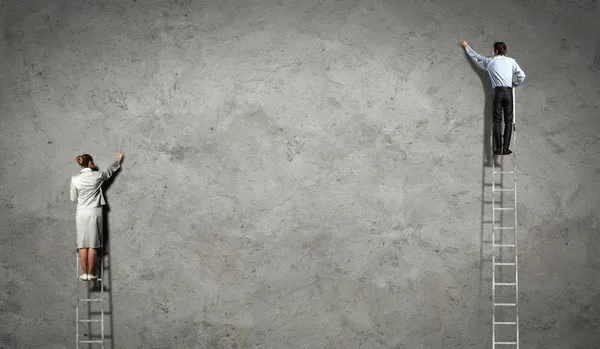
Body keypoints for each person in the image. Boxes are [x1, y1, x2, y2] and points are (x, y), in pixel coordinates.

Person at [459, 40, 526, 155]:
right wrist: (515, 83)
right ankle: (506, 148)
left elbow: (476, 57)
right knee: (509, 121)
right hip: (508, 92)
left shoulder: (490, 61)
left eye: (492, 49)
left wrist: (466, 46)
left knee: (497, 121)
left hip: (498, 93)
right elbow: (522, 75)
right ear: (505, 51)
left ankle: (498, 148)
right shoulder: (511, 61)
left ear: (495, 51)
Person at [70, 152, 123, 281]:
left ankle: (84, 273)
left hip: (81, 212)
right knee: (93, 244)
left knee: (83, 244)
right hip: (94, 212)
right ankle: (91, 273)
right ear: (90, 163)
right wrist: (118, 160)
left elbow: (73, 199)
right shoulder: (98, 176)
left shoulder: (75, 179)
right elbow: (109, 171)